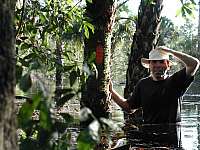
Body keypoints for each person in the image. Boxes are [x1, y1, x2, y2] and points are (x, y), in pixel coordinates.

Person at [110, 46, 200, 124]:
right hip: (149, 137)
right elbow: (129, 107)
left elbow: (194, 63)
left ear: (168, 65)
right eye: (154, 62)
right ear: (149, 65)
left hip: (171, 138)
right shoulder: (143, 84)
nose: (158, 65)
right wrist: (110, 91)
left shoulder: (176, 81)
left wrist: (170, 52)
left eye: (161, 62)